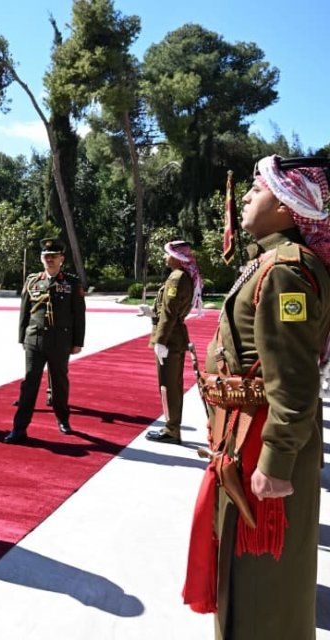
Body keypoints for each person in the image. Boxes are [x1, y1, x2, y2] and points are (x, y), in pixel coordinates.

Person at [183, 156, 330, 639]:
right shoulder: (270, 264)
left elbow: (295, 380)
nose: (245, 197)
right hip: (243, 441)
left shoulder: (286, 271)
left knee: (260, 591)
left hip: (261, 451)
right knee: (245, 582)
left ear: (288, 204)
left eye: (257, 188)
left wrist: (276, 462)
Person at [4, 238, 86, 444]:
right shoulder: (33, 281)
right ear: (42, 259)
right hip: (35, 339)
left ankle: (63, 419)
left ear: (61, 259)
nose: (50, 259)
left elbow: (79, 314)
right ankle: (19, 428)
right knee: (29, 383)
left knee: (59, 382)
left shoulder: (71, 283)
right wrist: (22, 337)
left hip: (60, 340)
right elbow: (24, 311)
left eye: (54, 256)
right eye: (46, 256)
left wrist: (78, 341)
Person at [142, 240, 202, 445]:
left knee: (168, 386)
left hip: (169, 339)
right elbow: (168, 310)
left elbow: (169, 313)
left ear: (177, 257)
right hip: (174, 336)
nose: (164, 257)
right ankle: (172, 427)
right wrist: (152, 313)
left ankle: (171, 430)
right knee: (172, 385)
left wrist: (160, 341)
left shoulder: (177, 278)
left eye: (167, 253)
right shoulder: (181, 276)